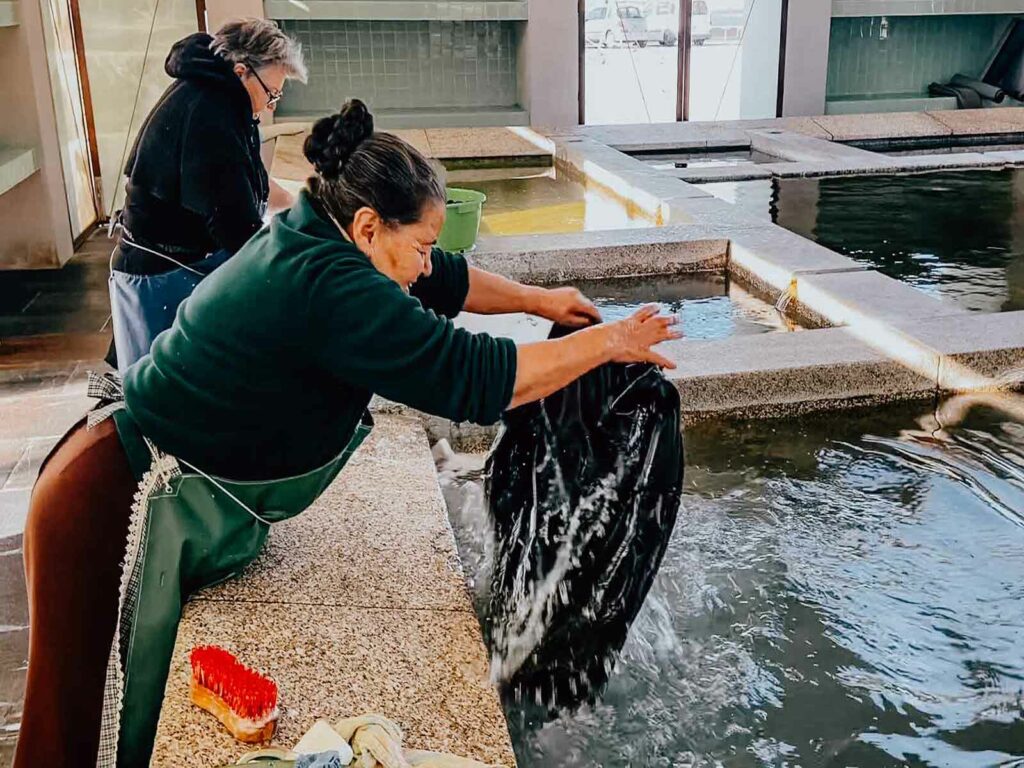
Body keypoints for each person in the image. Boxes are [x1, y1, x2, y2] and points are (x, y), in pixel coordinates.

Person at [16, 99, 681, 768]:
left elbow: (444, 278)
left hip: (109, 466)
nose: (425, 264)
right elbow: (477, 377)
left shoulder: (320, 228)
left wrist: (538, 302)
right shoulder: (333, 287)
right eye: (419, 245)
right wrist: (611, 341)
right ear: (368, 225)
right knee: (67, 729)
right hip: (105, 501)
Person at [107, 18, 307, 373]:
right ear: (243, 71)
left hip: (182, 257)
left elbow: (253, 182)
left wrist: (305, 206)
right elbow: (235, 225)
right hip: (160, 274)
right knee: (162, 390)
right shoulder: (209, 110)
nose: (272, 104)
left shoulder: (223, 96)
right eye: (271, 93)